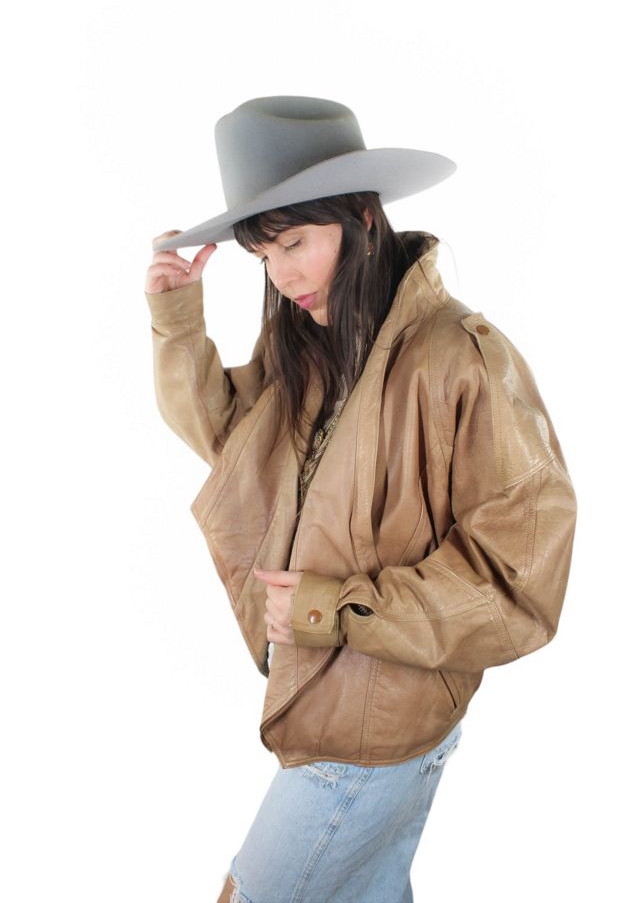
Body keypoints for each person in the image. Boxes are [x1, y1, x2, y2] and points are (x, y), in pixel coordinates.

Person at [144, 96, 578, 903]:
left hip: (377, 721)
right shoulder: (318, 348)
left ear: (363, 218)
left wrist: (332, 608)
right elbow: (235, 448)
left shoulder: (459, 357)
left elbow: (520, 574)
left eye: (296, 243)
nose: (284, 276)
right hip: (338, 698)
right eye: (264, 256)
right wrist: (177, 320)